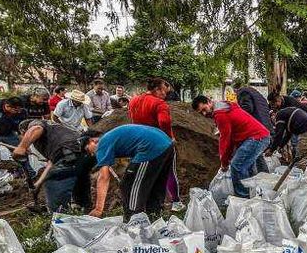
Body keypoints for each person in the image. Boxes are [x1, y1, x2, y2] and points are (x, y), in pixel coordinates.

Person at [84, 124, 175, 220]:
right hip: (167, 143)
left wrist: (98, 209)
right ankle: (155, 218)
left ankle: (133, 218)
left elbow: (104, 177)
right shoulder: (112, 136)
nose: (92, 154)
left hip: (151, 147)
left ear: (92, 141)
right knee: (154, 185)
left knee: (129, 185)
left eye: (88, 150)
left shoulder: (102, 143)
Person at [192, 95, 270, 198]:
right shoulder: (224, 107)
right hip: (258, 136)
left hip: (256, 138)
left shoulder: (220, 114)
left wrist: (224, 162)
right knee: (246, 167)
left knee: (237, 166)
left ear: (209, 101)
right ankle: (253, 194)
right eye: (201, 112)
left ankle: (243, 198)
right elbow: (232, 137)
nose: (204, 113)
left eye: (204, 109)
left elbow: (225, 140)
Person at [13, 120, 94, 213]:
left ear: (24, 131)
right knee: (79, 178)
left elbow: (36, 128)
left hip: (68, 152)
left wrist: (22, 146)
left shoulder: (35, 124)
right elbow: (52, 163)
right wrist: (38, 184)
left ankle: (59, 216)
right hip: (85, 155)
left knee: (55, 181)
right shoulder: (55, 131)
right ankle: (83, 208)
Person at [129, 77, 183, 211]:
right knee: (169, 171)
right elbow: (164, 122)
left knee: (145, 173)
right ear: (157, 89)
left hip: (140, 141)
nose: (166, 94)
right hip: (159, 143)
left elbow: (131, 118)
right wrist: (170, 137)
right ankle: (175, 202)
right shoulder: (159, 104)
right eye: (164, 91)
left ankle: (143, 202)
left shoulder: (134, 101)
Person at [236, 86, 272, 173]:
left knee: (254, 154)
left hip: (257, 128)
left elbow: (247, 107)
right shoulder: (256, 94)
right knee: (257, 154)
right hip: (264, 126)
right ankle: (262, 177)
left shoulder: (243, 93)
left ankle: (258, 178)